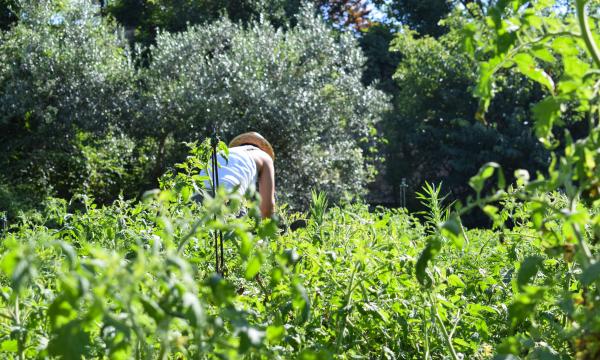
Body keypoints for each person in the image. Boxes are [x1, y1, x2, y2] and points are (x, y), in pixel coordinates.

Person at [200, 132, 275, 219]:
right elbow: (267, 207)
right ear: (262, 148)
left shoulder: (226, 152)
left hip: (199, 193)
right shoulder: (264, 156)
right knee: (238, 230)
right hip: (228, 195)